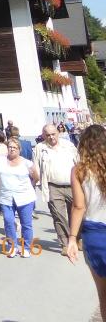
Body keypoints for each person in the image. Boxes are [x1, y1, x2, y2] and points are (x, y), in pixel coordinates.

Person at [67, 125, 106, 321]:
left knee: (103, 294)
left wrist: (72, 238)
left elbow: (79, 206)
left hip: (95, 234)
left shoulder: (79, 170)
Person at [36, 121, 79, 249]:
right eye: (48, 135)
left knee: (76, 213)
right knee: (58, 216)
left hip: (72, 184)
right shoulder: (40, 148)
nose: (51, 137)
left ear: (58, 133)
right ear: (44, 136)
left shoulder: (68, 145)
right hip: (53, 186)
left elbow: (79, 162)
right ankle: (65, 244)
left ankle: (77, 238)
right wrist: (40, 184)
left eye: (53, 134)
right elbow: (36, 167)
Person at [0, 137, 40, 256]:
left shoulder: (27, 163)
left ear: (19, 149)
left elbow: (36, 177)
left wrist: (30, 186)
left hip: (24, 197)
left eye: (14, 148)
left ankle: (26, 248)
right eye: (10, 147)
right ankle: (12, 247)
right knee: (8, 221)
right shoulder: (0, 161)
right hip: (6, 197)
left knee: (26, 224)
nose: (12, 149)